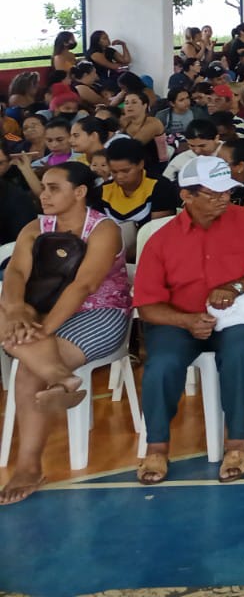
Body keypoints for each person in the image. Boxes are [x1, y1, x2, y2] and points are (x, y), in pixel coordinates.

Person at [133, 156, 244, 485]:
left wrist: (236, 286)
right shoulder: (161, 240)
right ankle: (156, 448)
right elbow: (147, 306)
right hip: (178, 320)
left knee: (240, 354)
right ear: (187, 196)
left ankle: (237, 445)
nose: (224, 199)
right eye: (214, 194)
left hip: (235, 315)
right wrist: (186, 322)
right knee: (161, 364)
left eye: (227, 192)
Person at [0, 161, 131, 504]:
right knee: (4, 311)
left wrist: (41, 330)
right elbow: (15, 274)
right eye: (43, 187)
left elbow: (83, 286)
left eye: (53, 188)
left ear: (80, 192)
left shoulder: (104, 229)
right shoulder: (35, 227)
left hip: (100, 313)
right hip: (38, 312)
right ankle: (61, 378)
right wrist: (16, 312)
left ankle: (28, 467)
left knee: (29, 372)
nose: (44, 195)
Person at [97, 136, 181, 227]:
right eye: (114, 172)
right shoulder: (103, 191)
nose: (119, 177)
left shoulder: (160, 187)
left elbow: (160, 230)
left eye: (126, 171)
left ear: (141, 164)